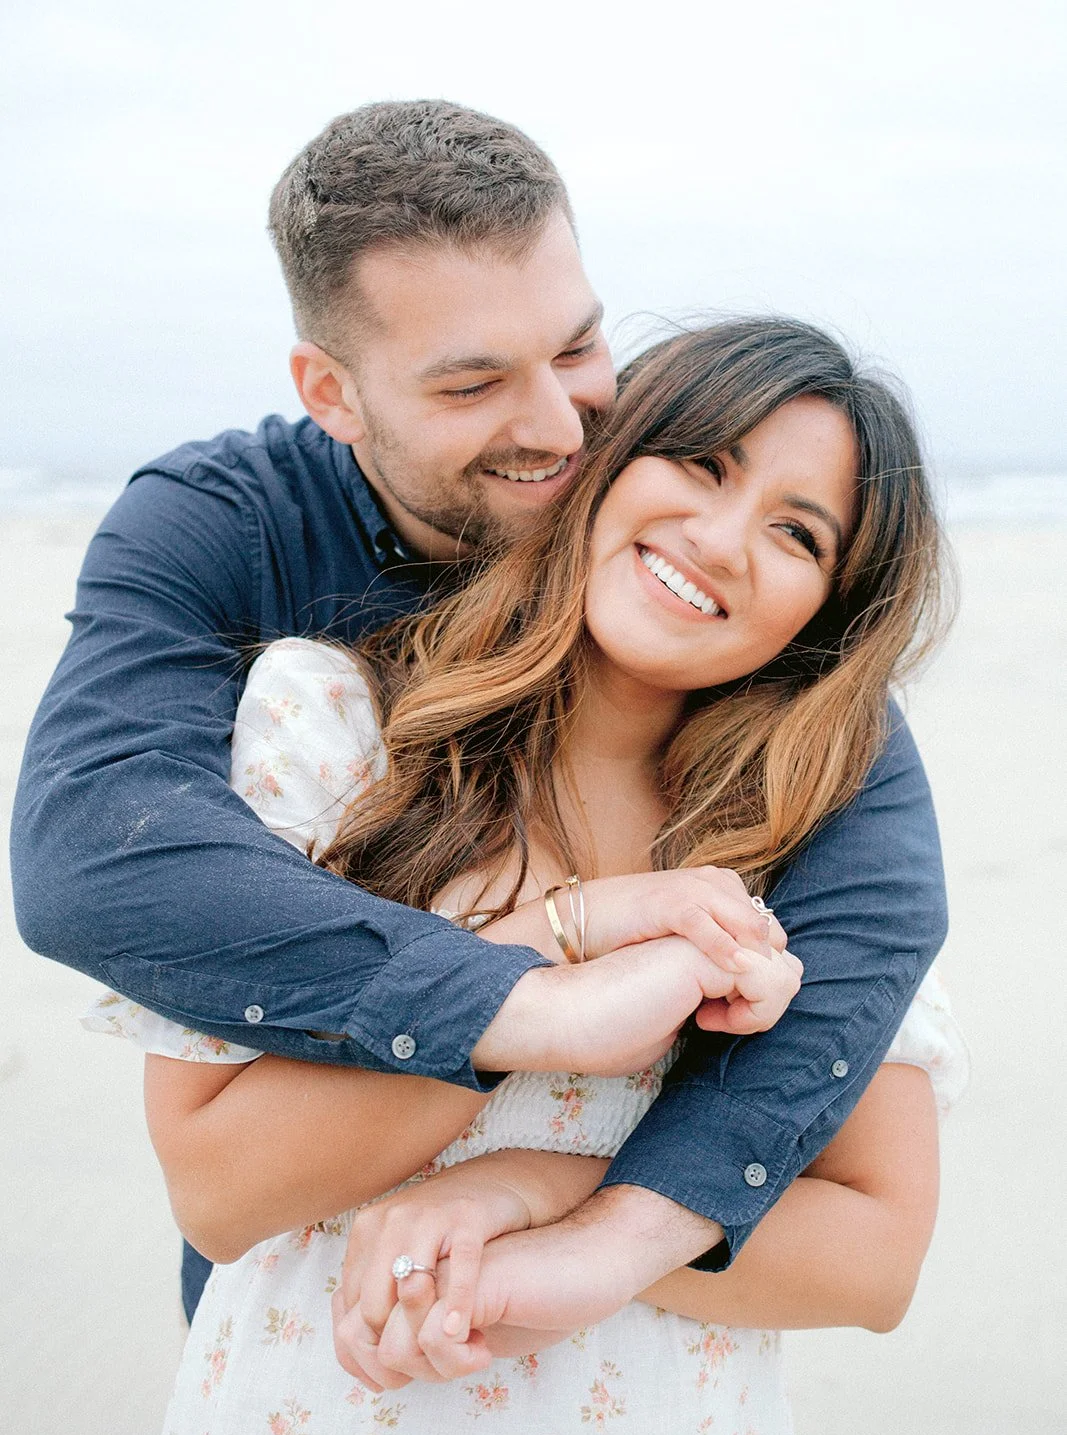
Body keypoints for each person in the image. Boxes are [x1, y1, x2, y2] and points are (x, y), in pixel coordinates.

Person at [12, 102, 949, 1336]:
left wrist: (575, 1206)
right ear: (330, 393)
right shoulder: (233, 541)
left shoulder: (698, 600)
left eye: (575, 348)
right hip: (311, 1333)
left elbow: (874, 887)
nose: (561, 430)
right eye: (471, 383)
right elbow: (95, 846)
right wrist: (540, 983)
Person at [89, 317, 966, 1435]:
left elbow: (874, 1258)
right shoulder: (339, 730)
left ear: (826, 609)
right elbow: (219, 1191)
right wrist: (550, 961)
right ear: (603, 465)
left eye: (796, 532)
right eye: (702, 465)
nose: (721, 541)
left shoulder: (805, 846)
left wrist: (532, 1181)